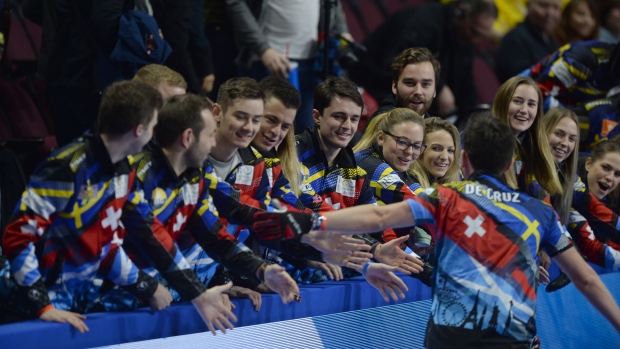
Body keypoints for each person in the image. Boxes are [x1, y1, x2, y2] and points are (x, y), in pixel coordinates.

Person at [253, 114, 620, 347]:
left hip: (448, 338)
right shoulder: (539, 212)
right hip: (511, 340)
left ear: (464, 159)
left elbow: (379, 219)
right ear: (511, 163)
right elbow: (586, 279)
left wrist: (312, 221)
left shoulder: (444, 196)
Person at [0, 81, 235, 335]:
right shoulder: (65, 168)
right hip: (22, 304)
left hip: (72, 305)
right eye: (155, 125)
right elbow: (17, 237)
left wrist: (164, 289)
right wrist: (42, 306)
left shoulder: (125, 172)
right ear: (139, 130)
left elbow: (124, 239)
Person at [121, 93, 304, 311]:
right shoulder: (132, 177)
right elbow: (127, 245)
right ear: (188, 137)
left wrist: (261, 270)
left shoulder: (195, 177)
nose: (214, 142)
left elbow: (216, 237)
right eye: (210, 135)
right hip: (103, 301)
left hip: (161, 298)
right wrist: (153, 288)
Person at [296, 76, 420, 271]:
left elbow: (374, 222)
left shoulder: (355, 172)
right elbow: (317, 213)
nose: (347, 126)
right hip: (289, 268)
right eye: (338, 116)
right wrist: (375, 249)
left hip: (332, 270)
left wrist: (392, 250)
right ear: (317, 116)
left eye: (354, 119)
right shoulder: (293, 158)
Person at [350, 0, 497, 118]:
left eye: (481, 35)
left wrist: (473, 117)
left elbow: (466, 86)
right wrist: (439, 88)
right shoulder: (425, 21)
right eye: (473, 31)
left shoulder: (466, 40)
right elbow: (399, 63)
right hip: (375, 84)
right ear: (460, 13)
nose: (476, 39)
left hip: (417, 99)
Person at [224, 0, 352, 132]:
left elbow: (333, 4)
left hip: (312, 62)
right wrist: (263, 49)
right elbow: (236, 3)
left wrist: (343, 32)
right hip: (266, 61)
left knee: (305, 135)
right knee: (260, 131)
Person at [542, 108, 620, 274]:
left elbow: (600, 215)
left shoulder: (566, 173)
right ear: (588, 164)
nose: (610, 177)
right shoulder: (567, 184)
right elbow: (591, 246)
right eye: (559, 134)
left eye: (572, 139)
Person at [524, 40, 620, 112]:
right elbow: (536, 92)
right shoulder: (584, 59)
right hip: (528, 85)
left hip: (568, 107)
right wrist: (570, 119)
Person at [363, 47, 440, 130]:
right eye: (410, 83)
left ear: (434, 90)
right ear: (394, 86)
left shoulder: (436, 131)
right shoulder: (383, 125)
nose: (418, 91)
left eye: (426, 84)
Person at [496, 0, 562, 82]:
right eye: (543, 5)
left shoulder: (553, 42)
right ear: (528, 5)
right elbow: (520, 84)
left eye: (556, 8)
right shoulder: (514, 39)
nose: (550, 13)